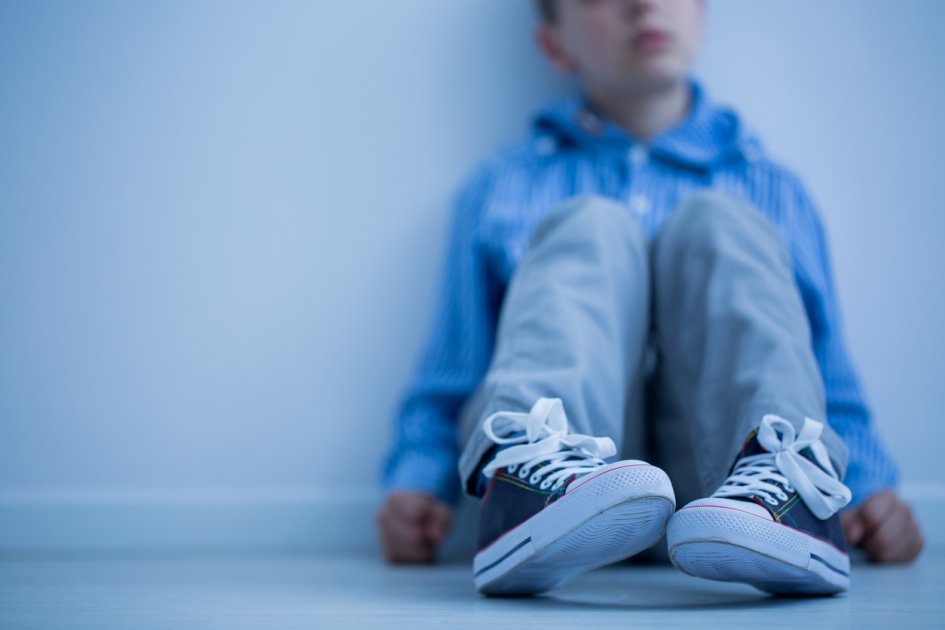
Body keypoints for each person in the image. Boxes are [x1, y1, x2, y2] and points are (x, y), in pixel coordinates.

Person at [376, 0, 924, 595]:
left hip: (725, 480)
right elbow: (455, 365)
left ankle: (787, 491)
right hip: (572, 486)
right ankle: (528, 488)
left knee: (720, 224)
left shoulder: (771, 187)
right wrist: (417, 482)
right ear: (555, 46)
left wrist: (869, 489)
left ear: (701, 12)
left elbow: (820, 364)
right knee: (590, 226)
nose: (643, 4)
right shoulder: (503, 186)